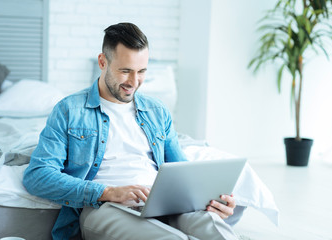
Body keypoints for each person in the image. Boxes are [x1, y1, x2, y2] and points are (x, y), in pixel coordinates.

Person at [23, 22, 240, 240]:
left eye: (141, 71)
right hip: (106, 208)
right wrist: (108, 192)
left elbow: (180, 169)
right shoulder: (69, 109)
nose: (134, 82)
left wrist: (211, 200)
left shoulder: (157, 110)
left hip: (163, 203)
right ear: (102, 62)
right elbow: (38, 176)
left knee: (218, 232)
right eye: (125, 71)